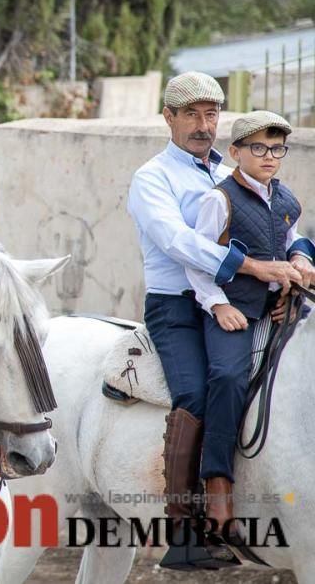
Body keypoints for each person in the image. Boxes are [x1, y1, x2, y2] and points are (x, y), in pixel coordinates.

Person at [127, 72, 312, 568]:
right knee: (198, 391)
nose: (202, 125)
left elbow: (284, 223)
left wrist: (287, 274)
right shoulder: (152, 178)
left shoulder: (235, 169)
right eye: (190, 114)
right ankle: (187, 531)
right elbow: (177, 242)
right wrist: (252, 267)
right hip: (179, 305)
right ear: (168, 117)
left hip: (247, 299)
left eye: (210, 115)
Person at [185, 110, 315, 536]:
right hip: (232, 308)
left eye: (277, 148)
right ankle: (217, 483)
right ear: (235, 152)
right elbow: (200, 262)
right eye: (258, 148)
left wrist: (300, 260)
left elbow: (292, 237)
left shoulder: (284, 198)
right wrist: (217, 305)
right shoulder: (218, 200)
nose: (269, 156)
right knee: (226, 378)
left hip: (278, 307)